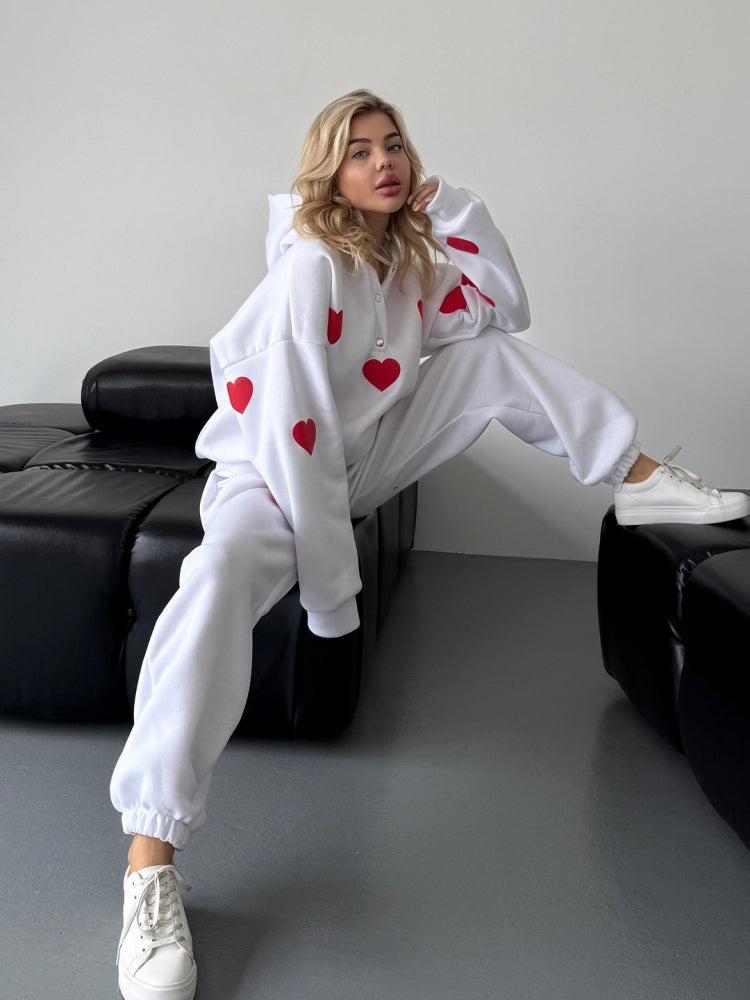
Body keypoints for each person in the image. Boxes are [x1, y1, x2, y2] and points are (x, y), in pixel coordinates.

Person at [110, 89, 750, 1000]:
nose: (383, 161)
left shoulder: (404, 265)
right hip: (269, 478)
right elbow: (294, 435)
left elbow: (503, 313)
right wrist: (333, 595)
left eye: (394, 145)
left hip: (358, 459)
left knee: (485, 359)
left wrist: (454, 209)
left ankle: (637, 475)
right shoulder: (309, 269)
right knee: (212, 577)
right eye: (359, 150)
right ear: (329, 172)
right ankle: (149, 864)